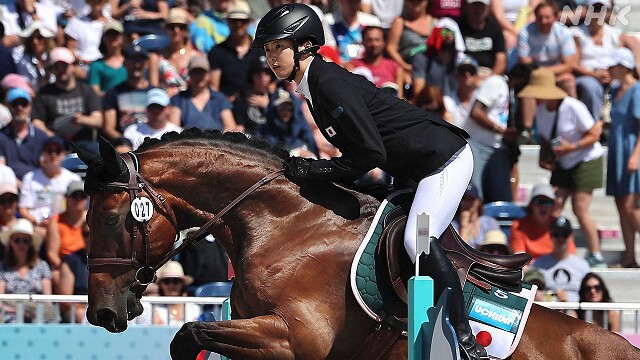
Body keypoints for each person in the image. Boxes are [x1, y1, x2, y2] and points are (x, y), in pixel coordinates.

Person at [253, 4, 487, 359]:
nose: (271, 57)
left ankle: (466, 339)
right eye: (268, 50)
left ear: (305, 45)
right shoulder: (313, 87)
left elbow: (370, 155)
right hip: (411, 169)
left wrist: (314, 170)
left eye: (277, 47)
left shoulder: (328, 83)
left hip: (442, 162)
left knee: (416, 240)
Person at [519, 68, 606, 268]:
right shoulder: (541, 111)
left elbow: (594, 134)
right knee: (554, 207)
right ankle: (552, 250)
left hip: (586, 158)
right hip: (564, 161)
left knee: (579, 207)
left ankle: (596, 254)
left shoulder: (573, 107)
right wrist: (544, 158)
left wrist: (571, 148)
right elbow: (544, 139)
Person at [605, 47, 640, 268]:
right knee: (621, 204)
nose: (609, 69)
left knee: (631, 205)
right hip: (617, 150)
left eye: (613, 65)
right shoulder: (616, 89)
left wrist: (635, 155)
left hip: (631, 150)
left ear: (623, 67)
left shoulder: (637, 90)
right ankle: (629, 257)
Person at [517, 1, 577, 129]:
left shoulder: (563, 33)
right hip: (532, 76)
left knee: (569, 82)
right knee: (528, 90)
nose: (543, 21)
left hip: (555, 75)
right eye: (540, 18)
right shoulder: (525, 32)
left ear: (555, 17)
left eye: (547, 17)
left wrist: (544, 72)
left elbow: (568, 65)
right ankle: (527, 130)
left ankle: (575, 122)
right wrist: (542, 73)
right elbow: (523, 60)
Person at [31, 47, 103, 153]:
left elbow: (98, 120)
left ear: (73, 66)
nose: (61, 70)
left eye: (64, 66)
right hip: (56, 141)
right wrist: (49, 134)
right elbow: (37, 122)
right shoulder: (44, 94)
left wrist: (81, 119)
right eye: (57, 67)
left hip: (83, 140)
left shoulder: (86, 90)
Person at [19, 137, 82, 238]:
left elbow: (80, 206)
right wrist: (38, 223)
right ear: (43, 153)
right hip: (36, 226)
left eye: (57, 151)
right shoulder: (30, 178)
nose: (53, 154)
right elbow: (23, 209)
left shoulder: (73, 179)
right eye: (49, 151)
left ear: (64, 154)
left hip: (63, 225)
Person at [530, 216, 590, 307]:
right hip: (547, 312)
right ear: (550, 235)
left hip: (575, 314)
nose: (560, 238)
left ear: (571, 237)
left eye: (564, 234)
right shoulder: (539, 264)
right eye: (556, 234)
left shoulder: (582, 265)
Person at [208, 0, 262, 100]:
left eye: (243, 21)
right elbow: (214, 87)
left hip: (256, 107)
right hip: (227, 108)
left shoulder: (262, 51)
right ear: (227, 21)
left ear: (249, 22)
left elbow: (272, 84)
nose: (238, 24)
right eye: (234, 21)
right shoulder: (217, 52)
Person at [0, 219, 52, 323]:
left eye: (25, 241)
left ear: (30, 244)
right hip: (10, 316)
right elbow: (0, 298)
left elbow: (47, 299)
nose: (21, 244)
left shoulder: (42, 266)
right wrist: (17, 311)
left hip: (37, 315)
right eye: (17, 240)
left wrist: (32, 312)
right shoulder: (2, 267)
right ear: (10, 243)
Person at [168, 56, 237, 131]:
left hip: (215, 140)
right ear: (189, 74)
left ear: (208, 75)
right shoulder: (178, 99)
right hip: (188, 141)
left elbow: (230, 126)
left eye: (202, 72)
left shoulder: (220, 99)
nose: (198, 76)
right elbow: (174, 129)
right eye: (195, 72)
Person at [510, 183, 577, 259]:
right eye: (538, 201)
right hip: (530, 269)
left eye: (547, 202)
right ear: (531, 205)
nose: (543, 206)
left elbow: (570, 256)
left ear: (553, 206)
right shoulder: (518, 226)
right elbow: (519, 259)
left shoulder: (561, 226)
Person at [102, 45, 154, 141]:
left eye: (140, 61)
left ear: (146, 64)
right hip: (125, 145)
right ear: (125, 63)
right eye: (133, 60)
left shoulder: (155, 93)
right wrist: (126, 141)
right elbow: (109, 128)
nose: (137, 64)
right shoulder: (114, 92)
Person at [44, 181, 87, 291]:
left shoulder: (92, 219)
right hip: (64, 265)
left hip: (86, 263)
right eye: (74, 196)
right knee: (56, 275)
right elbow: (52, 254)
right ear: (67, 198)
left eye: (82, 196)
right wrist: (66, 268)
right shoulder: (56, 221)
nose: (78, 199)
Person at [0, 88, 50, 180]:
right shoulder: (1, 136)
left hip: (36, 185)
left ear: (30, 106)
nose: (19, 108)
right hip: (9, 187)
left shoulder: (42, 137)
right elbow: (1, 169)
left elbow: (46, 168)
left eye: (23, 103)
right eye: (15, 104)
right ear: (8, 106)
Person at [346, 26, 403, 98]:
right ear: (363, 42)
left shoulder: (395, 67)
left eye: (377, 40)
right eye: (370, 40)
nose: (374, 44)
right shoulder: (352, 66)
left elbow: (400, 97)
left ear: (384, 42)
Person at [385, 0, 434, 80]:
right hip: (406, 67)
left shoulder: (435, 22)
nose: (416, 3)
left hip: (429, 68)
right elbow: (391, 48)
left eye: (420, 0)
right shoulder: (399, 21)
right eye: (411, 0)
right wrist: (405, 66)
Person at [159, 8, 203, 96]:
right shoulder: (158, 58)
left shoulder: (196, 56)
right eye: (172, 27)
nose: (176, 30)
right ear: (166, 29)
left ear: (186, 30)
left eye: (181, 27)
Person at [458, 0, 507, 76]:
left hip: (489, 73)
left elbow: (501, 59)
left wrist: (490, 77)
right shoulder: (459, 28)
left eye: (481, 6)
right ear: (467, 6)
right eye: (474, 5)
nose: (477, 10)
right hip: (466, 74)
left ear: (487, 8)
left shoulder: (494, 28)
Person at [452, 184, 501, 249]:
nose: (468, 203)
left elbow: (496, 248)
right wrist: (464, 226)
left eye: (471, 199)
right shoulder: (453, 225)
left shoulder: (490, 222)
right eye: (465, 199)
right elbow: (459, 251)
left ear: (478, 201)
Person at [152, 261, 201, 326]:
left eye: (176, 281)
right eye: (167, 282)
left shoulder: (194, 308)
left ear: (182, 284)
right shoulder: (153, 308)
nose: (171, 285)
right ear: (161, 285)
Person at [88, 20, 127, 96]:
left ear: (122, 38)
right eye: (108, 34)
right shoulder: (96, 65)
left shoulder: (130, 62)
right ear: (103, 38)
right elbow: (95, 92)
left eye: (115, 34)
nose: (112, 37)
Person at [15, 21, 54, 91]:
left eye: (39, 38)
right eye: (31, 39)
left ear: (46, 40)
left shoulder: (54, 57)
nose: (35, 42)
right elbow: (26, 84)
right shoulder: (24, 61)